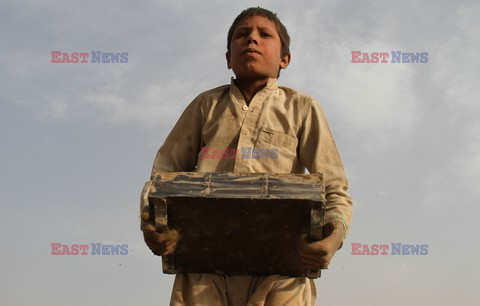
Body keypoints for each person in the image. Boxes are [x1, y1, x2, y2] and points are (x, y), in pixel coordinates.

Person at [140, 7, 353, 306]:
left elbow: (334, 187)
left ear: (284, 59)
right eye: (242, 35)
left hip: (282, 272)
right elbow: (163, 174)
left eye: (264, 35)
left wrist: (333, 236)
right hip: (203, 269)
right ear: (228, 57)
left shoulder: (302, 108)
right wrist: (152, 224)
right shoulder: (206, 106)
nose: (251, 39)